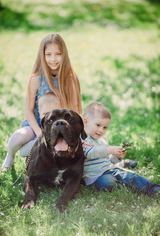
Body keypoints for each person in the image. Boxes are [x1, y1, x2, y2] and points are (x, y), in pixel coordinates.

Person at [1, 33, 82, 171]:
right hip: (36, 125)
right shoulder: (36, 79)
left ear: (64, 55)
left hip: (60, 126)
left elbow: (75, 109)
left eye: (58, 54)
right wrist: (40, 133)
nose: (53, 59)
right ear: (42, 55)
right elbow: (28, 110)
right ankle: (10, 156)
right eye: (48, 54)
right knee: (18, 138)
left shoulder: (70, 79)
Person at [82, 102, 160, 196]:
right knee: (107, 182)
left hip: (108, 169)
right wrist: (109, 149)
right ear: (85, 122)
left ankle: (153, 188)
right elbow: (88, 153)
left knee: (129, 176)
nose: (101, 130)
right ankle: (124, 184)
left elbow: (105, 156)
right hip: (94, 178)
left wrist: (116, 154)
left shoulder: (102, 139)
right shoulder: (83, 138)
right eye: (98, 125)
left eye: (105, 127)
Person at [20, 92, 61, 157]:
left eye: (54, 113)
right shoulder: (41, 131)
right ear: (39, 113)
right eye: (45, 114)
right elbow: (22, 153)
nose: (49, 117)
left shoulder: (61, 128)